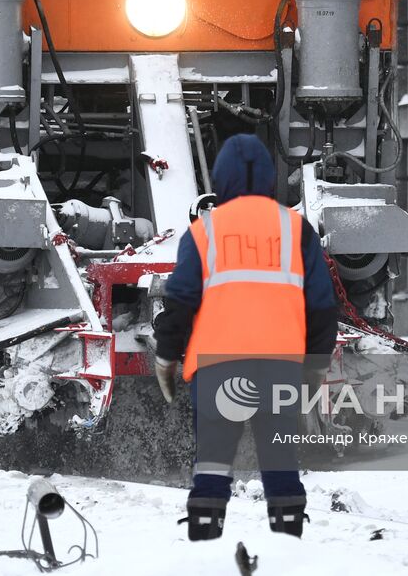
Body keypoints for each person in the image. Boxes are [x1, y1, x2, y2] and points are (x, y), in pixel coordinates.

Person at [153, 134, 339, 541]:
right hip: (281, 367)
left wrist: (167, 356)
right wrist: (316, 363)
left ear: (221, 177)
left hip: (218, 367)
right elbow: (323, 306)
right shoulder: (296, 229)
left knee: (214, 459)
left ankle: (205, 538)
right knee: (279, 456)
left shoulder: (204, 231)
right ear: (270, 177)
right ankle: (288, 542)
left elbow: (180, 301)